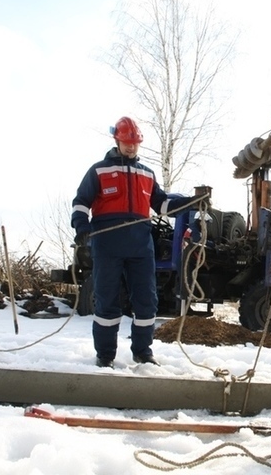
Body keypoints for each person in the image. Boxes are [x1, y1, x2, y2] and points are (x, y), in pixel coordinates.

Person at [71, 116, 199, 369]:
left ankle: (143, 352)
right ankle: (105, 355)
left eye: (134, 143)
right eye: (126, 142)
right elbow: (81, 203)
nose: (131, 147)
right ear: (117, 140)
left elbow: (162, 205)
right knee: (107, 300)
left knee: (146, 301)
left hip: (140, 246)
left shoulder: (147, 174)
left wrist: (191, 202)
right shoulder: (98, 171)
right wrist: (81, 228)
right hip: (107, 244)